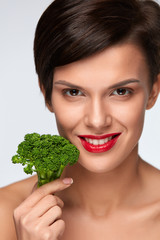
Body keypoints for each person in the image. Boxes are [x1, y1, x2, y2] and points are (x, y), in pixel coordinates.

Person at [1, 0, 160, 239]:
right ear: (47, 95)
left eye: (121, 91)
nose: (97, 121)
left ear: (153, 92)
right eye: (74, 92)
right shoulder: (5, 213)